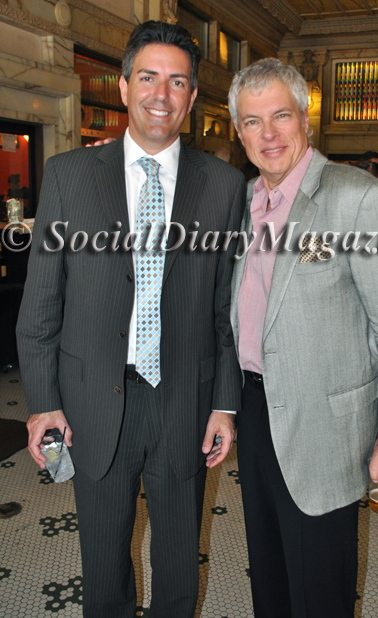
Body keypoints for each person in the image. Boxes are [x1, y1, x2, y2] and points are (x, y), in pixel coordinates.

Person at [16, 21, 245, 618]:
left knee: (176, 565)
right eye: (148, 78)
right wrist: (42, 400)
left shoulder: (223, 187)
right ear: (123, 86)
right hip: (91, 399)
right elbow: (41, 302)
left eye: (177, 82)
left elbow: (227, 311)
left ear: (193, 98)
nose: (160, 95)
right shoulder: (69, 177)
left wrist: (224, 402)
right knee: (103, 563)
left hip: (184, 403)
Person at [227, 58, 378, 618]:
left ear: (305, 118)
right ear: (238, 131)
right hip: (255, 407)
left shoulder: (356, 199)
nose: (268, 134)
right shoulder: (242, 203)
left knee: (320, 586)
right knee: (267, 569)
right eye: (252, 121)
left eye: (280, 116)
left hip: (326, 422)